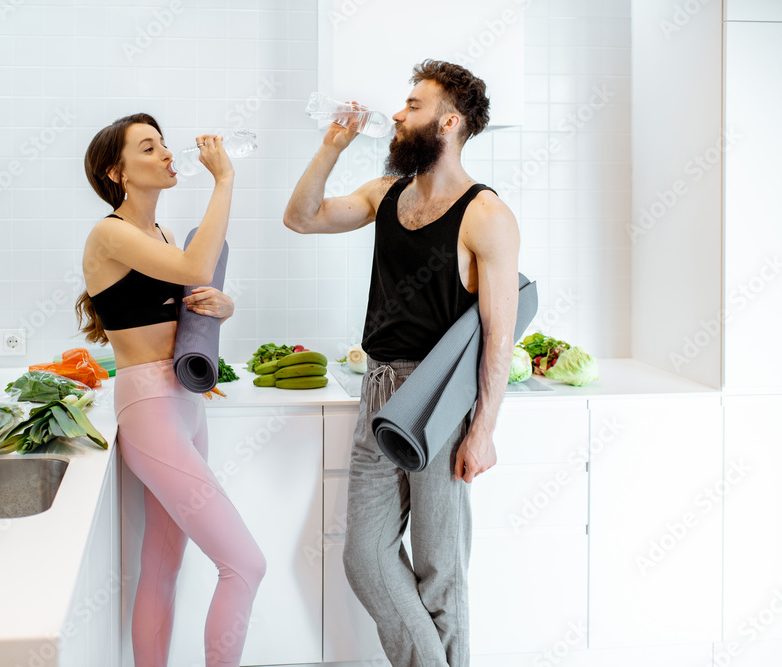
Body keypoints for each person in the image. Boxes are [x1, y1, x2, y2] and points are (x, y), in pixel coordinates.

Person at [283, 60, 520, 667]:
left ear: (448, 121)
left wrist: (484, 429)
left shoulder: (485, 214)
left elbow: (499, 336)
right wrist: (332, 147)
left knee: (441, 568)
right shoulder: (386, 193)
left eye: (412, 105)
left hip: (439, 400)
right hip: (378, 388)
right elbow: (301, 218)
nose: (396, 113)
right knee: (364, 556)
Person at [76, 113, 266, 667]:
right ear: (118, 172)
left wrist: (222, 307)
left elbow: (188, 298)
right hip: (151, 407)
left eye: (162, 145)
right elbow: (196, 262)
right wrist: (224, 179)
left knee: (163, 565)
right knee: (245, 564)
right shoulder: (109, 233)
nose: (166, 155)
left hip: (183, 403)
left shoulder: (156, 234)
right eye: (149, 148)